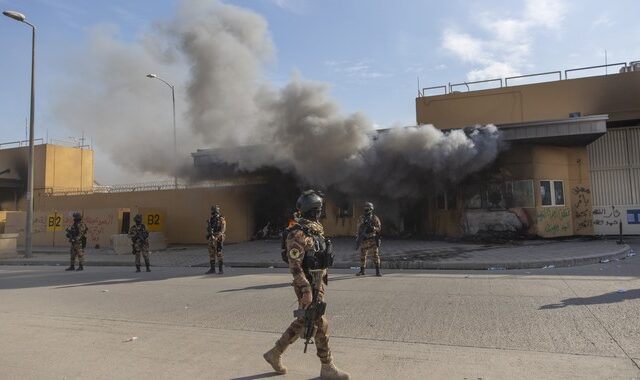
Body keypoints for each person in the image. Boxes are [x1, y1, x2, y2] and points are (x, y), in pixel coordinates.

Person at [264, 190, 350, 380]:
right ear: (314, 211)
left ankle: (275, 353)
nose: (320, 213)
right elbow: (295, 267)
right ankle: (327, 367)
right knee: (320, 323)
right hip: (308, 285)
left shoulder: (314, 229)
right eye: (319, 210)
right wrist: (305, 290)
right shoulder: (297, 234)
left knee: (305, 321)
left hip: (317, 282)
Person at [355, 202, 382, 277]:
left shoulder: (374, 218)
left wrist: (373, 228)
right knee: (362, 256)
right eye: (365, 209)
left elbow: (379, 228)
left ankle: (378, 271)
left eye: (367, 209)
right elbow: (358, 228)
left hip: (372, 239)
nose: (366, 210)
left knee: (375, 255)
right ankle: (362, 271)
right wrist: (358, 236)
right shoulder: (361, 218)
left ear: (371, 209)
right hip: (364, 239)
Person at [205, 205, 226, 274]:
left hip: (219, 238)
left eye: (214, 211)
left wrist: (216, 237)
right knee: (211, 253)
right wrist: (210, 233)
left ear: (217, 211)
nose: (213, 212)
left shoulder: (221, 219)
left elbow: (222, 230)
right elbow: (208, 229)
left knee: (219, 253)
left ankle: (221, 270)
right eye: (212, 211)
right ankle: (212, 269)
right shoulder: (211, 219)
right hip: (212, 237)